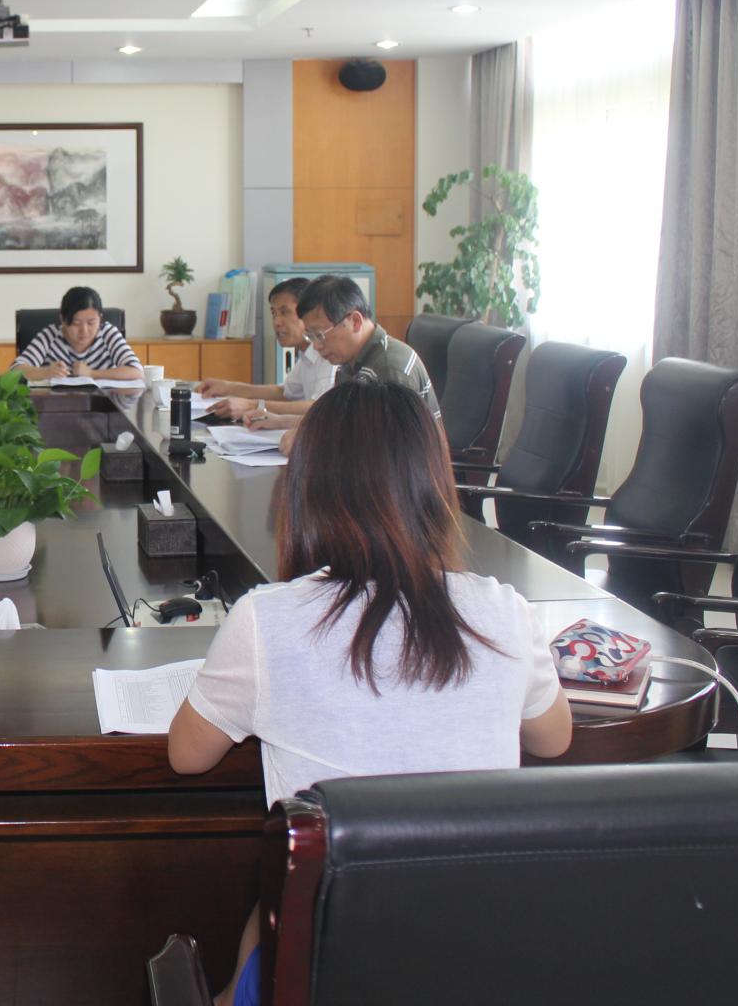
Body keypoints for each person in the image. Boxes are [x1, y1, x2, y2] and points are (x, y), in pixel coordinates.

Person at [169, 382, 571, 1006]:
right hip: (472, 961)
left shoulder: (267, 620)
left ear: (306, 489)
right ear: (433, 489)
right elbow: (555, 738)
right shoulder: (504, 611)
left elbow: (186, 756)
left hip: (332, 967)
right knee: (270, 907)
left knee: (277, 897)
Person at [278, 274, 438, 455]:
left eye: (319, 334)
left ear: (355, 321)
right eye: (311, 336)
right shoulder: (350, 364)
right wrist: (286, 424)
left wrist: (311, 441)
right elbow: (341, 423)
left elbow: (389, 452)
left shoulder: (389, 369)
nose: (316, 346)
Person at [196, 278, 333, 431]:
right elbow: (285, 393)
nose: (277, 322)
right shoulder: (306, 354)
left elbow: (318, 407)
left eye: (284, 312)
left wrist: (253, 405)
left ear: (307, 313)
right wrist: (229, 388)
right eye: (274, 313)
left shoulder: (329, 353)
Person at [9, 286, 143, 382]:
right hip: (56, 406)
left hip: (103, 407)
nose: (84, 330)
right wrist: (46, 372)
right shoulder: (50, 336)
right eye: (76, 323)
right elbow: (14, 371)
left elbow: (136, 371)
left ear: (100, 318)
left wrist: (92, 373)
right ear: (63, 319)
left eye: (91, 322)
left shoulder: (108, 334)